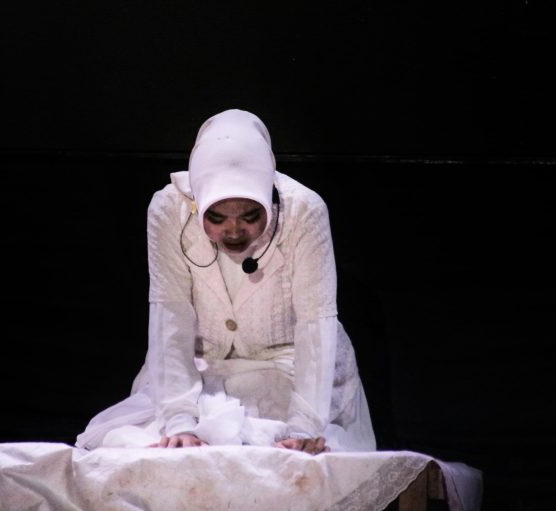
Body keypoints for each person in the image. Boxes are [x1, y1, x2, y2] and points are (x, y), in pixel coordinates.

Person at [76, 109, 376, 454]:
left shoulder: (304, 211)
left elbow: (315, 322)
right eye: (217, 218)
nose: (234, 231)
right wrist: (179, 421)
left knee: (281, 455)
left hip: (291, 372)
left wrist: (305, 425)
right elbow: (170, 317)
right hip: (197, 374)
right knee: (146, 448)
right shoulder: (168, 209)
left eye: (251, 215)